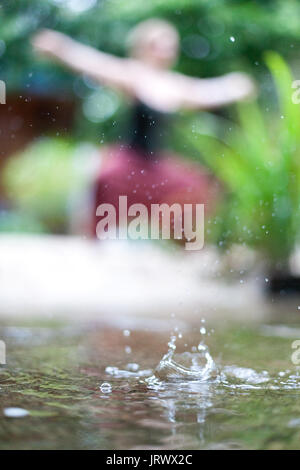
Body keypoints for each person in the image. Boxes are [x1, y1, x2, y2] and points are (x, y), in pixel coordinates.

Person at [32, 19, 256, 242]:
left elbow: (206, 92)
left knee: (196, 187)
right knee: (105, 179)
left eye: (171, 45)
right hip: (129, 161)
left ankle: (186, 247)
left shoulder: (175, 84)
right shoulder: (131, 74)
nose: (166, 50)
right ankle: (93, 243)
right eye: (159, 44)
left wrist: (234, 85)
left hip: (157, 165)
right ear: (143, 46)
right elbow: (93, 63)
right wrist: (61, 48)